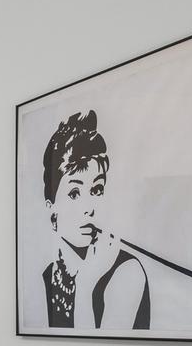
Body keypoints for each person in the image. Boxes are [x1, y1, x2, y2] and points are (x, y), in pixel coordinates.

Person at [40, 110, 149, 330]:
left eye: (97, 189)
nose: (89, 208)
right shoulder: (49, 275)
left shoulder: (127, 271)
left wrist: (87, 281)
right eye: (74, 193)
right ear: (52, 212)